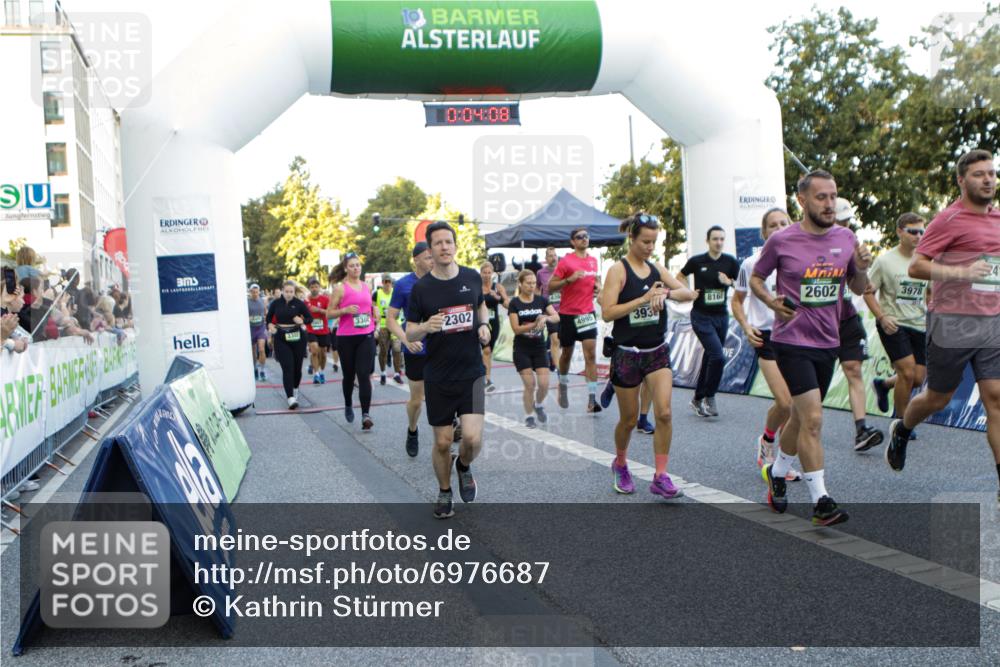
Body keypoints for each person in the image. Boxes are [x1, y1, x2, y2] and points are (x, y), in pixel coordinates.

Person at [751, 169, 871, 526]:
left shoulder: (846, 238)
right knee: (814, 418)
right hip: (791, 341)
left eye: (833, 196)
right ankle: (821, 500)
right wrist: (772, 303)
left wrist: (862, 268)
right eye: (821, 197)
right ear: (801, 201)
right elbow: (757, 278)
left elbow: (859, 286)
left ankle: (777, 472)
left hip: (828, 340)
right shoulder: (782, 241)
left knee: (801, 418)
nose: (830, 203)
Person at [885, 149, 1000, 506]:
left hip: (992, 320)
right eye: (979, 174)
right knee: (939, 397)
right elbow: (917, 268)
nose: (988, 180)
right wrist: (961, 273)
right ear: (961, 180)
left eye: (992, 174)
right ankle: (902, 428)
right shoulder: (948, 219)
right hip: (952, 322)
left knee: (995, 399)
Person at [601, 213, 696, 499]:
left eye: (654, 242)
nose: (650, 247)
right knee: (629, 420)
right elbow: (608, 312)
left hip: (656, 351)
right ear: (631, 238)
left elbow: (689, 294)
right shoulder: (618, 271)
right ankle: (619, 463)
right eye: (645, 241)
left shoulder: (656, 269)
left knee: (664, 413)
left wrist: (665, 292)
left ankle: (660, 476)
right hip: (626, 353)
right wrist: (642, 300)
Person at [406, 222, 490, 519]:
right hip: (438, 375)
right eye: (438, 243)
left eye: (448, 241)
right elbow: (410, 332)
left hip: (472, 372)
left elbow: (480, 307)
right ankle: (444, 491)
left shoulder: (471, 277)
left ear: (455, 245)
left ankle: (464, 466)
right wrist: (426, 327)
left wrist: (485, 326)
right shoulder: (421, 289)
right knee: (442, 442)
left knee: (471, 439)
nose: (444, 247)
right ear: (429, 250)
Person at [732, 208, 801, 480]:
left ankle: (782, 464)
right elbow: (736, 300)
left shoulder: (801, 262)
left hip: (796, 337)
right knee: (784, 403)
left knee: (798, 407)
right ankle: (767, 441)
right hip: (766, 336)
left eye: (784, 223)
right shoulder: (751, 263)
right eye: (773, 225)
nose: (780, 228)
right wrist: (746, 327)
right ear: (764, 233)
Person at [865, 213, 929, 432]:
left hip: (919, 325)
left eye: (922, 231)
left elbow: (929, 293)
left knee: (918, 379)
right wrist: (882, 317)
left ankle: (882, 385)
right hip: (893, 324)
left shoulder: (926, 260)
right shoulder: (884, 261)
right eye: (913, 231)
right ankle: (902, 423)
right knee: (908, 372)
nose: (918, 236)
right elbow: (867, 293)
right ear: (900, 232)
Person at [833, 200, 884, 451]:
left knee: (853, 370)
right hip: (815, 323)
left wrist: (864, 271)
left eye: (846, 221)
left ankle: (861, 429)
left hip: (847, 318)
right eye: (839, 220)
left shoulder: (851, 241)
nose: (844, 225)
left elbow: (859, 284)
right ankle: (780, 438)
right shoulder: (804, 243)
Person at [677, 225, 740, 417]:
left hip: (721, 316)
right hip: (701, 316)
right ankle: (710, 396)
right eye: (715, 239)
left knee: (710, 357)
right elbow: (680, 275)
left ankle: (697, 399)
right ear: (708, 241)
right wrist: (688, 291)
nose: (719, 242)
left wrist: (729, 282)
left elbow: (741, 284)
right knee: (718, 356)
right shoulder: (697, 261)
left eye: (722, 239)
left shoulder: (730, 262)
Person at [387, 242, 434, 457]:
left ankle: (449, 434)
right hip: (416, 348)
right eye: (427, 257)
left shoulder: (443, 280)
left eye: (432, 256)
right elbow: (391, 319)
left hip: (441, 349)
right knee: (417, 400)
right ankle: (412, 430)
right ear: (416, 259)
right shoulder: (404, 284)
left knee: (444, 394)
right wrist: (405, 340)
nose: (432, 260)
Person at [549, 228, 602, 413]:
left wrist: (598, 287)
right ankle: (562, 385)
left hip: (587, 313)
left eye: (586, 236)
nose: (584, 239)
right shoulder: (566, 261)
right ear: (572, 241)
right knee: (566, 355)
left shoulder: (593, 261)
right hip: (568, 314)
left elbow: (596, 282)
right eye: (580, 237)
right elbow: (551, 286)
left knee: (591, 355)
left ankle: (592, 399)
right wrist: (569, 280)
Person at [328, 253, 377, 431]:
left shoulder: (367, 286)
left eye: (358, 265)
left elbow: (367, 306)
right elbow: (329, 313)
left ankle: (366, 414)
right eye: (352, 265)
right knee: (349, 375)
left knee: (363, 374)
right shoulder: (340, 288)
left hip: (366, 335)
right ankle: (348, 404)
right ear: (346, 268)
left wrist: (375, 311)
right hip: (346, 337)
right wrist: (345, 310)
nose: (356, 268)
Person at [508, 269, 559, 428]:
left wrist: (545, 317)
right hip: (522, 349)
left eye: (533, 283)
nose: (531, 286)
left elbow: (556, 316)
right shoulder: (514, 303)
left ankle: (538, 405)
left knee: (544, 384)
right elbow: (516, 329)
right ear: (521, 284)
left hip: (539, 347)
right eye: (528, 283)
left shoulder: (541, 301)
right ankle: (529, 415)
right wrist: (534, 324)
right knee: (530, 384)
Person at [265, 280, 311, 409]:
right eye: (286, 292)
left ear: (294, 292)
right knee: (287, 367)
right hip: (281, 337)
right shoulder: (275, 303)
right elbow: (268, 318)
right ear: (282, 291)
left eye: (291, 292)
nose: (289, 294)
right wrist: (269, 325)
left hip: (297, 338)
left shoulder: (299, 304)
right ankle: (290, 397)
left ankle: (295, 388)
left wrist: (302, 320)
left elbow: (310, 318)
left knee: (297, 369)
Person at [480, 261, 509, 393]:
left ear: (492, 274)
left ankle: (486, 377)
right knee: (485, 350)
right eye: (484, 272)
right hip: (479, 322)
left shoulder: (497, 286)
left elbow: (508, 305)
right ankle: (485, 379)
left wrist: (497, 297)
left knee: (488, 351)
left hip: (493, 323)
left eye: (488, 273)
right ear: (480, 273)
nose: (486, 275)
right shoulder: (476, 287)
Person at [374, 276, 403, 385]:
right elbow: (373, 307)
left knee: (397, 349)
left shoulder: (396, 293)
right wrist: (375, 322)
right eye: (385, 282)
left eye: (389, 282)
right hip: (383, 325)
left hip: (396, 324)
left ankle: (396, 374)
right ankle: (383, 373)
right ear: (382, 283)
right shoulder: (377, 294)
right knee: (383, 351)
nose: (387, 284)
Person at [536, 247, 561, 372]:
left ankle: (554, 359)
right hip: (550, 311)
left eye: (555, 255)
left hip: (565, 310)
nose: (553, 257)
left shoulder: (563, 271)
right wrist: (536, 304)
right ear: (546, 259)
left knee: (563, 340)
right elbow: (536, 289)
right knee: (555, 339)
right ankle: (558, 368)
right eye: (550, 256)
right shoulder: (541, 273)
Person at [304, 277, 331, 384]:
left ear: (319, 287)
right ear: (309, 288)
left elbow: (330, 312)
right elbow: (303, 313)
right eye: (312, 287)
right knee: (315, 351)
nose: (314, 289)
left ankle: (322, 372)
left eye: (316, 286)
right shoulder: (306, 300)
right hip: (311, 330)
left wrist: (319, 310)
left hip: (323, 330)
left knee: (323, 354)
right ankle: (316, 374)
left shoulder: (325, 299)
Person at [248, 284, 269, 381]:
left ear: (259, 292)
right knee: (253, 352)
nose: (255, 294)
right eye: (253, 292)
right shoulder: (246, 302)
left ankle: (262, 370)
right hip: (251, 329)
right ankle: (255, 368)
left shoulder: (263, 301)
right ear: (250, 292)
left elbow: (266, 312)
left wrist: (265, 318)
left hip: (260, 327)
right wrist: (249, 318)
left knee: (261, 349)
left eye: (256, 292)